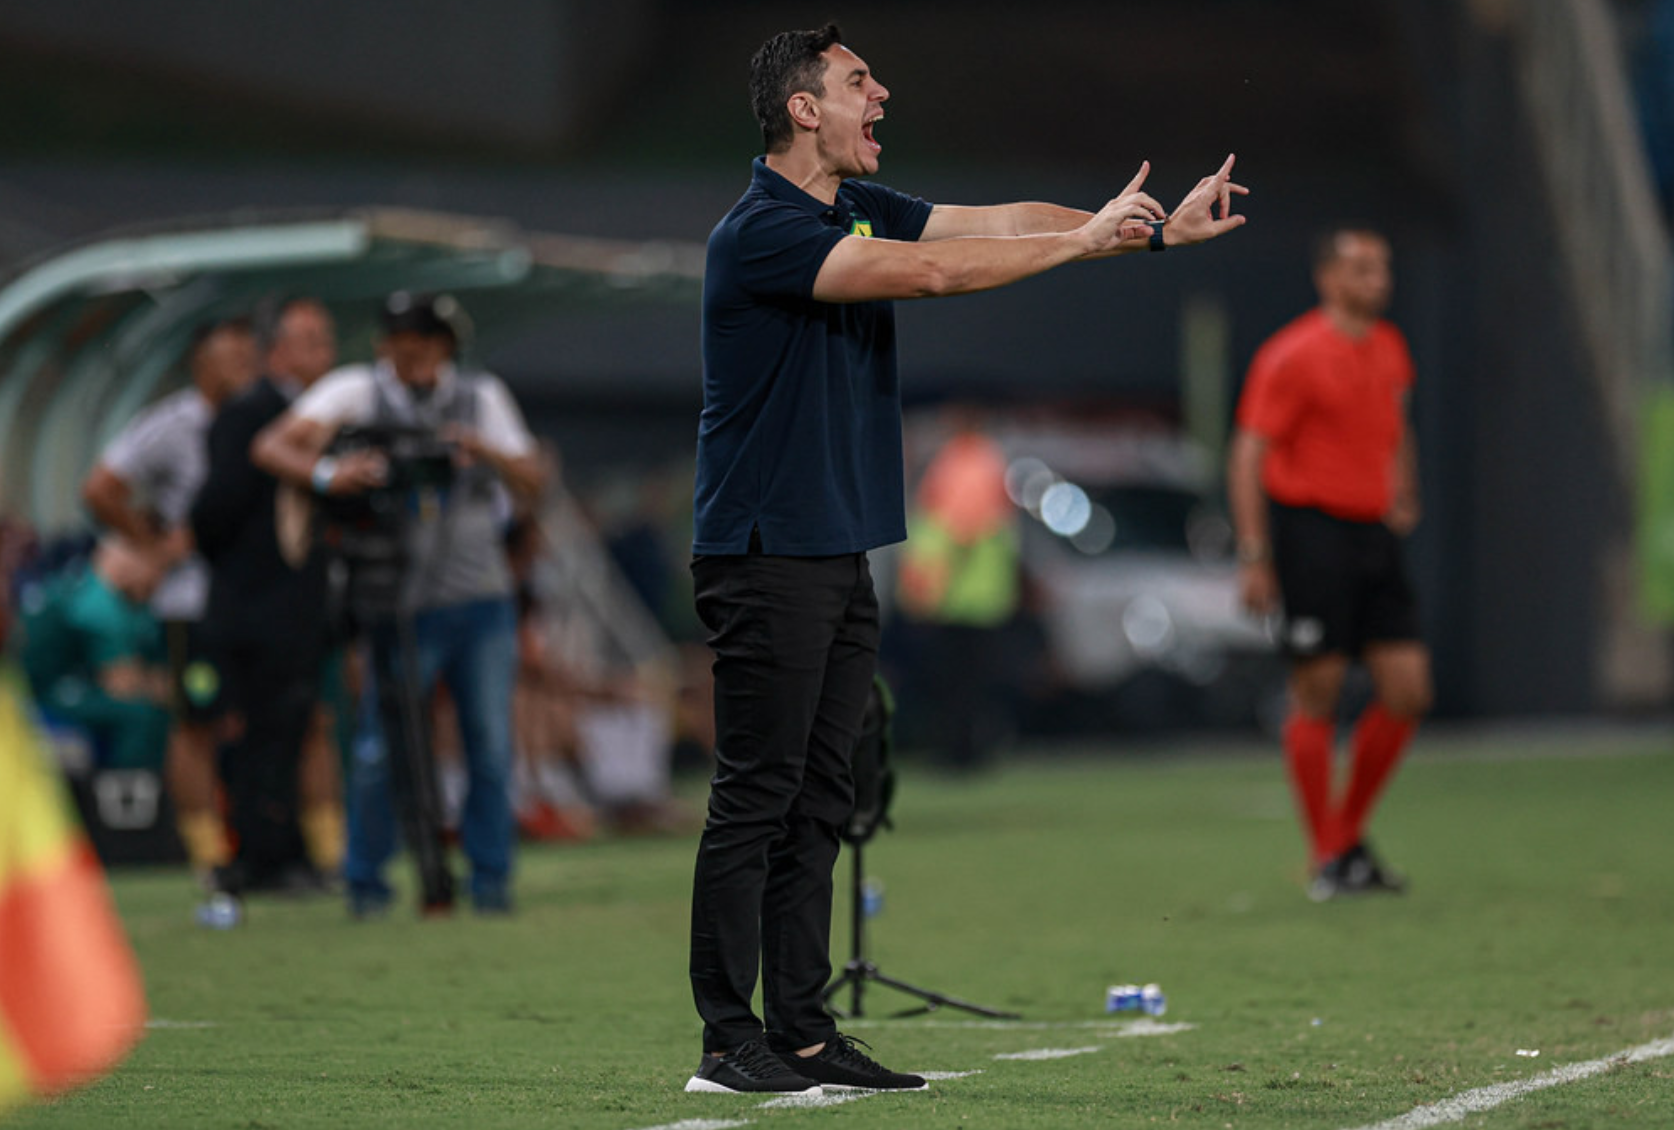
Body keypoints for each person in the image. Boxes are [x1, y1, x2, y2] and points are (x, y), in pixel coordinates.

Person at [685, 23, 1247, 1097]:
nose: (882, 94)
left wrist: (1135, 232)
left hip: (835, 547)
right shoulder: (759, 230)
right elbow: (938, 270)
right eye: (859, 82)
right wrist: (1087, 247)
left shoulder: (847, 206)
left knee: (823, 793)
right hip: (765, 552)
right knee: (757, 793)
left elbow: (991, 223)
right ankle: (725, 1036)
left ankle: (800, 1032)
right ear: (804, 108)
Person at [251, 292, 544, 916]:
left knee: (488, 746)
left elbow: (533, 478)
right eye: (398, 340)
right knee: (380, 746)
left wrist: (476, 447)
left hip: (479, 595)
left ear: (444, 346)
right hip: (395, 598)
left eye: (422, 341)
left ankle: (490, 882)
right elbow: (273, 447)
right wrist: (334, 474)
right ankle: (368, 883)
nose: (407, 353)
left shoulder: (479, 397)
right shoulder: (356, 390)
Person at [1226, 225, 1432, 901]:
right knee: (1318, 691)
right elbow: (1248, 454)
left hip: (1372, 532)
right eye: (1364, 268)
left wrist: (1404, 487)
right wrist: (1256, 554)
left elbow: (1397, 424)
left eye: (1384, 266)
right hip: (1311, 532)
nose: (1380, 279)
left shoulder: (1391, 347)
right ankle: (1329, 855)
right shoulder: (1293, 355)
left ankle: (1342, 840)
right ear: (1329, 278)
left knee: (1407, 691)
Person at [81, 317, 258, 888]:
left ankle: (272, 848)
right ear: (201, 363)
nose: (244, 366)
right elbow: (100, 489)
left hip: (255, 599)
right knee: (195, 726)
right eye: (232, 355)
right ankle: (207, 856)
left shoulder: (260, 420)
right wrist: (151, 545)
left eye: (249, 355)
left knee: (271, 722)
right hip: (192, 604)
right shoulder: (171, 425)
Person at [190, 297, 344, 895]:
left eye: (326, 340)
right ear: (275, 350)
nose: (323, 353)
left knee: (294, 726)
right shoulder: (251, 411)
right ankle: (260, 857)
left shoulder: (317, 415)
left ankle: (291, 852)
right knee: (259, 731)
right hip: (255, 605)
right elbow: (213, 512)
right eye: (309, 340)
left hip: (298, 604)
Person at [18, 536, 171, 772]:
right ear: (128, 564)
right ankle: (129, 801)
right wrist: (155, 683)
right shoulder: (98, 599)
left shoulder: (94, 585)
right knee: (142, 716)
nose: (159, 580)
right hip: (41, 694)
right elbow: (121, 684)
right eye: (158, 568)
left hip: (63, 686)